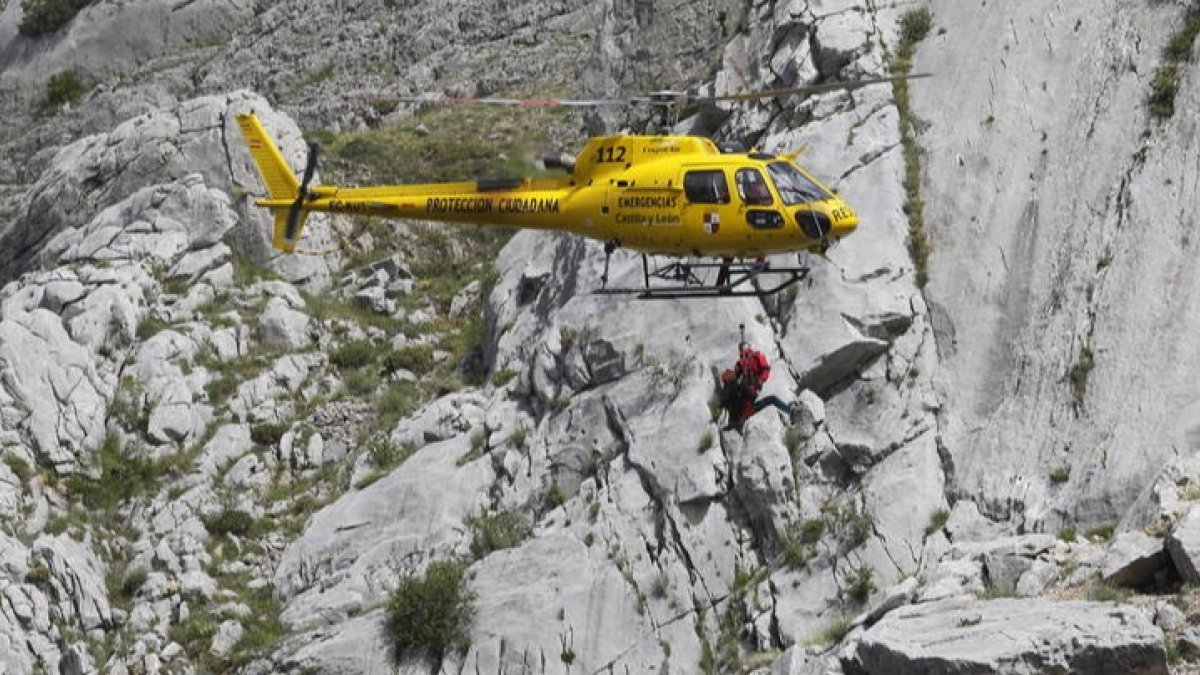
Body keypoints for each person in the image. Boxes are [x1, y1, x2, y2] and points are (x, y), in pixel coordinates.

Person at [719, 342, 793, 432]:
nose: (743, 351)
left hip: (752, 387)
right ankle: (734, 420)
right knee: (740, 397)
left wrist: (760, 380)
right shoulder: (742, 362)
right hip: (747, 389)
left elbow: (765, 369)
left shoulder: (756, 356)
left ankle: (735, 420)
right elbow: (736, 375)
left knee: (762, 400)